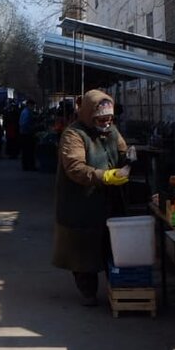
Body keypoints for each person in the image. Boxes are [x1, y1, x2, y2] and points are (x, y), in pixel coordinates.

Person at [51, 90, 129, 306]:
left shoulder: (111, 131)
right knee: (83, 252)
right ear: (88, 115)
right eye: (101, 119)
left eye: (109, 119)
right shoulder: (73, 134)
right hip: (80, 202)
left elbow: (121, 150)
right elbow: (74, 167)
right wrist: (103, 175)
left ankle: (116, 287)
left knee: (109, 246)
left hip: (108, 200)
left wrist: (128, 158)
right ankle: (88, 292)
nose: (106, 123)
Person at [19, 99, 37, 171]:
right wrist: (33, 127)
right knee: (29, 151)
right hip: (27, 134)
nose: (33, 107)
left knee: (26, 151)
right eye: (33, 106)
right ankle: (29, 166)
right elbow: (25, 124)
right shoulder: (27, 112)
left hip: (24, 134)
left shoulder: (24, 111)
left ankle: (26, 166)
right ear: (30, 105)